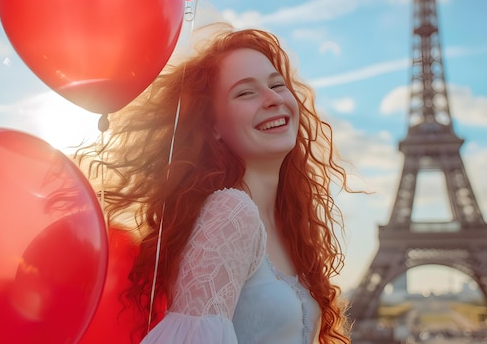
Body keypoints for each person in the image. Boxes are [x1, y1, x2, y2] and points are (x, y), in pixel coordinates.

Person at [77, 22, 356, 344]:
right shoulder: (232, 213)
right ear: (214, 128)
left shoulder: (286, 222)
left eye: (277, 85)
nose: (271, 99)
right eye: (246, 92)